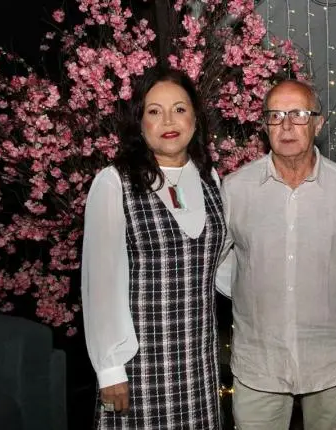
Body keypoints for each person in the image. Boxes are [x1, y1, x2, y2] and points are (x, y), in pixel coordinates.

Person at [220, 79, 336, 430]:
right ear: (264, 125)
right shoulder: (235, 190)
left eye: (298, 114)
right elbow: (214, 261)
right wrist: (251, 287)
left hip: (331, 364)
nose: (286, 126)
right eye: (275, 115)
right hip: (259, 364)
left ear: (318, 123)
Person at [81, 67, 230, 429]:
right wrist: (110, 367)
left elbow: (221, 265)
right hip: (138, 365)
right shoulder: (114, 182)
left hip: (199, 361)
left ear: (195, 117)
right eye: (154, 111)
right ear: (140, 121)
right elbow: (100, 283)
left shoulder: (210, 178)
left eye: (179, 109)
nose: (168, 121)